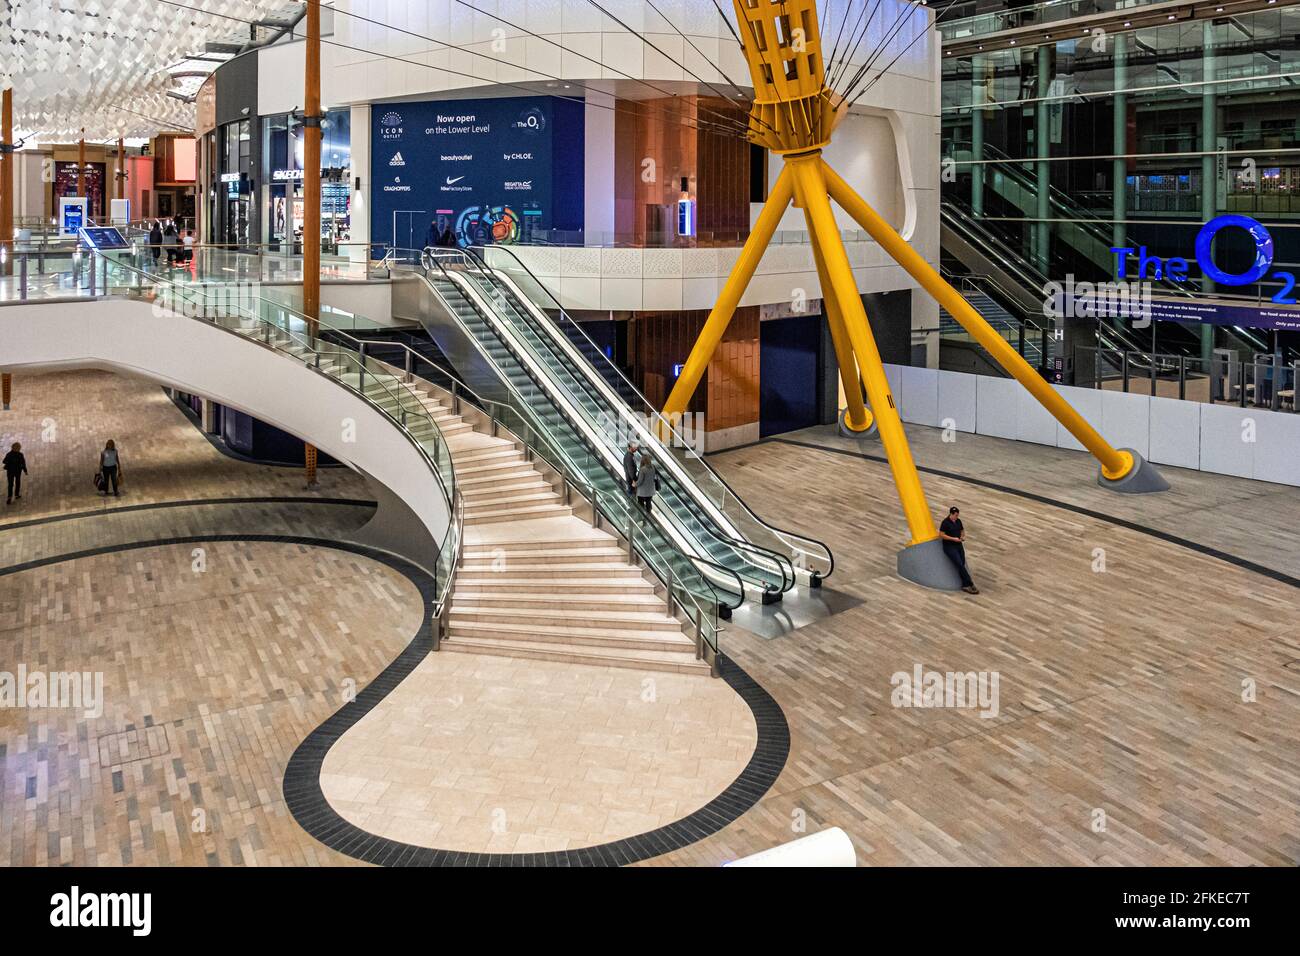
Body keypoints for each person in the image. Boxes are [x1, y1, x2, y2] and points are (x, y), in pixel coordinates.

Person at [938, 506, 979, 594]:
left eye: (957, 515)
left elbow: (962, 530)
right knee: (959, 564)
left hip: (958, 545)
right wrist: (953, 539)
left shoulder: (958, 521)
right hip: (949, 547)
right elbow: (941, 535)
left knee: (962, 563)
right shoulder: (945, 523)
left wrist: (962, 536)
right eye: (956, 515)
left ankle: (965, 585)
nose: (957, 517)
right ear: (951, 514)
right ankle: (970, 583)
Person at [635, 451, 658, 517]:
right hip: (650, 491)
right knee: (648, 504)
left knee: (640, 505)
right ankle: (648, 517)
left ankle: (641, 518)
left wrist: (635, 484)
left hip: (642, 491)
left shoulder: (643, 469)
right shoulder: (653, 467)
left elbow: (640, 481)